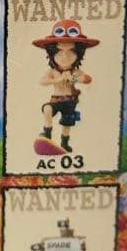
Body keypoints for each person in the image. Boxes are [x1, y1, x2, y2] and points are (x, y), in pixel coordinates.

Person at [34, 21, 98, 154]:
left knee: (67, 123)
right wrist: (58, 79)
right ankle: (47, 133)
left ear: (78, 54)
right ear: (52, 53)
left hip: (70, 100)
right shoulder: (53, 71)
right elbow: (42, 81)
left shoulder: (75, 71)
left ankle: (64, 143)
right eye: (59, 51)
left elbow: (87, 79)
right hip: (56, 99)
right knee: (47, 109)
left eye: (71, 51)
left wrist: (74, 78)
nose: (65, 56)